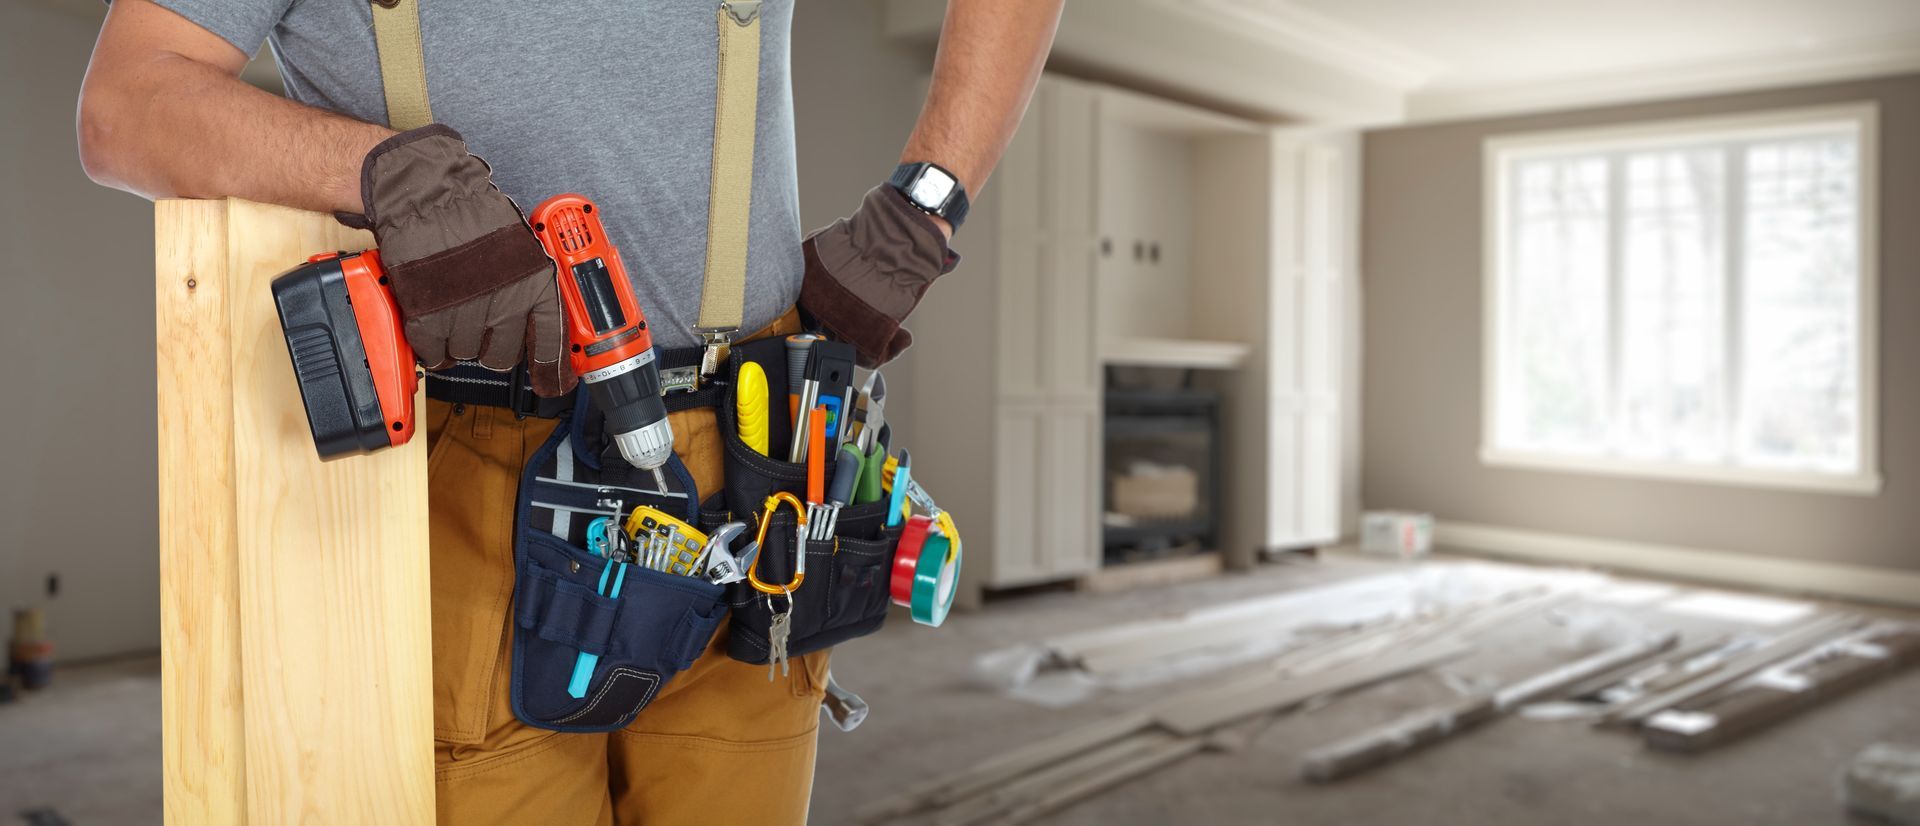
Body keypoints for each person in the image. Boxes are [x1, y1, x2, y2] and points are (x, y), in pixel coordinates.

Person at [78, 0, 1061, 822]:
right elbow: (124, 105)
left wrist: (926, 204)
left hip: (756, 467)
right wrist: (382, 173)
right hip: (469, 477)